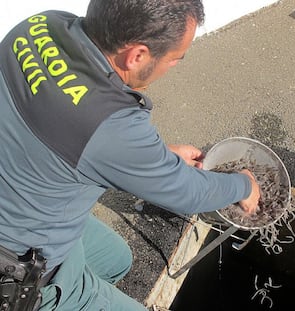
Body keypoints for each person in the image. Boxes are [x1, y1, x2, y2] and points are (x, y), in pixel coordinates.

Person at [0, 0, 261, 310]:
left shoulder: (39, 26)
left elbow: (69, 136)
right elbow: (190, 193)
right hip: (18, 268)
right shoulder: (110, 126)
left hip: (22, 200)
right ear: (136, 55)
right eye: (176, 58)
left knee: (115, 259)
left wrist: (153, 159)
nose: (175, 64)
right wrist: (244, 184)